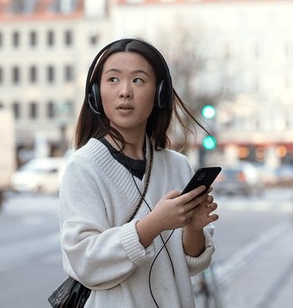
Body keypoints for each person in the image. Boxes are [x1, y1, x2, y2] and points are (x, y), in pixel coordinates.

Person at [58, 38, 219, 307]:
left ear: (160, 94)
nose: (124, 92)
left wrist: (194, 228)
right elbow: (84, 263)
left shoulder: (177, 165)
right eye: (112, 80)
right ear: (96, 94)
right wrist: (154, 224)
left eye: (138, 80)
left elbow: (191, 264)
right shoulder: (83, 167)